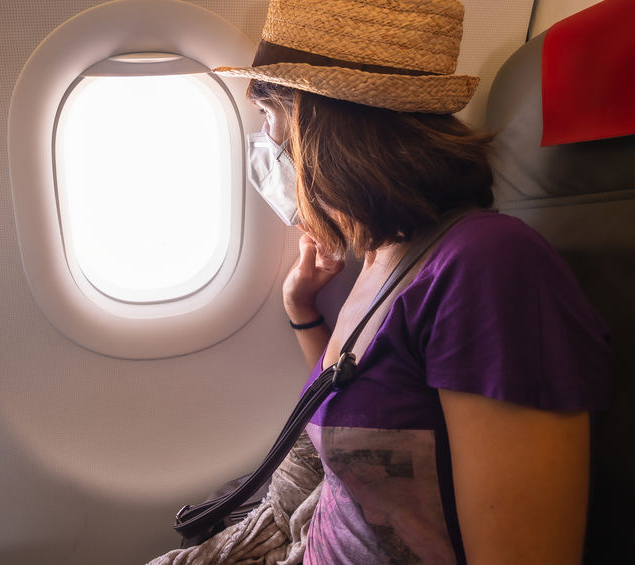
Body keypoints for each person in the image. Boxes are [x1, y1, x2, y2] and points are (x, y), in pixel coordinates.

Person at [211, 0, 613, 563]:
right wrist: (301, 309)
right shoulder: (385, 255)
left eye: (272, 121)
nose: (268, 150)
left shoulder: (490, 267)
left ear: (325, 125)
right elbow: (364, 410)